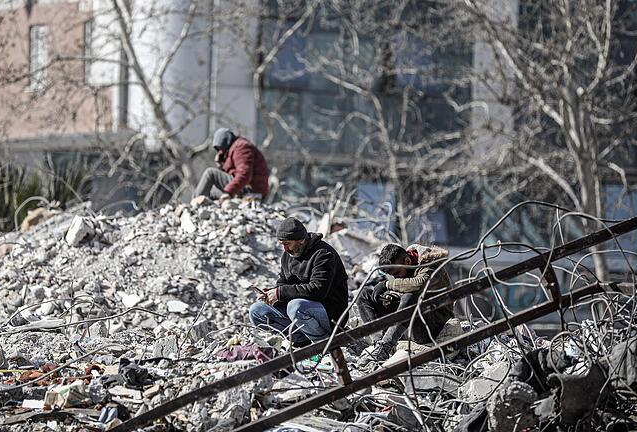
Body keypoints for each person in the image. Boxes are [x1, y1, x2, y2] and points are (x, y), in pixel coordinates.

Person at [249, 217, 349, 347]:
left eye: (287, 244)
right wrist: (273, 295)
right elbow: (283, 283)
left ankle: (324, 344)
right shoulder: (287, 256)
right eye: (282, 244)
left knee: (296, 307)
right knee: (256, 310)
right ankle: (302, 342)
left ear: (301, 240)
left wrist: (281, 293)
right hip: (302, 313)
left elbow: (318, 291)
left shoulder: (323, 254)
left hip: (330, 314)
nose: (285, 249)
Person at [357, 243, 454, 362]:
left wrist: (388, 285)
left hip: (432, 325)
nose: (396, 279)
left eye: (397, 274)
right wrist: (391, 297)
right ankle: (379, 343)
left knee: (411, 296)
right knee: (365, 294)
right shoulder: (405, 267)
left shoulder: (431, 264)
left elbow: (418, 284)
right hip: (407, 322)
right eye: (392, 276)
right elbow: (404, 287)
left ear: (407, 261)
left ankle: (386, 346)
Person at [193, 128, 269, 200]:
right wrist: (221, 164)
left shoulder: (241, 147)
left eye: (221, 148)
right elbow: (233, 173)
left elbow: (244, 175)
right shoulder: (234, 149)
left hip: (250, 190)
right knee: (210, 194)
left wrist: (228, 192)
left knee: (210, 173)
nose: (220, 151)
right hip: (245, 188)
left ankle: (194, 204)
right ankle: (197, 205)